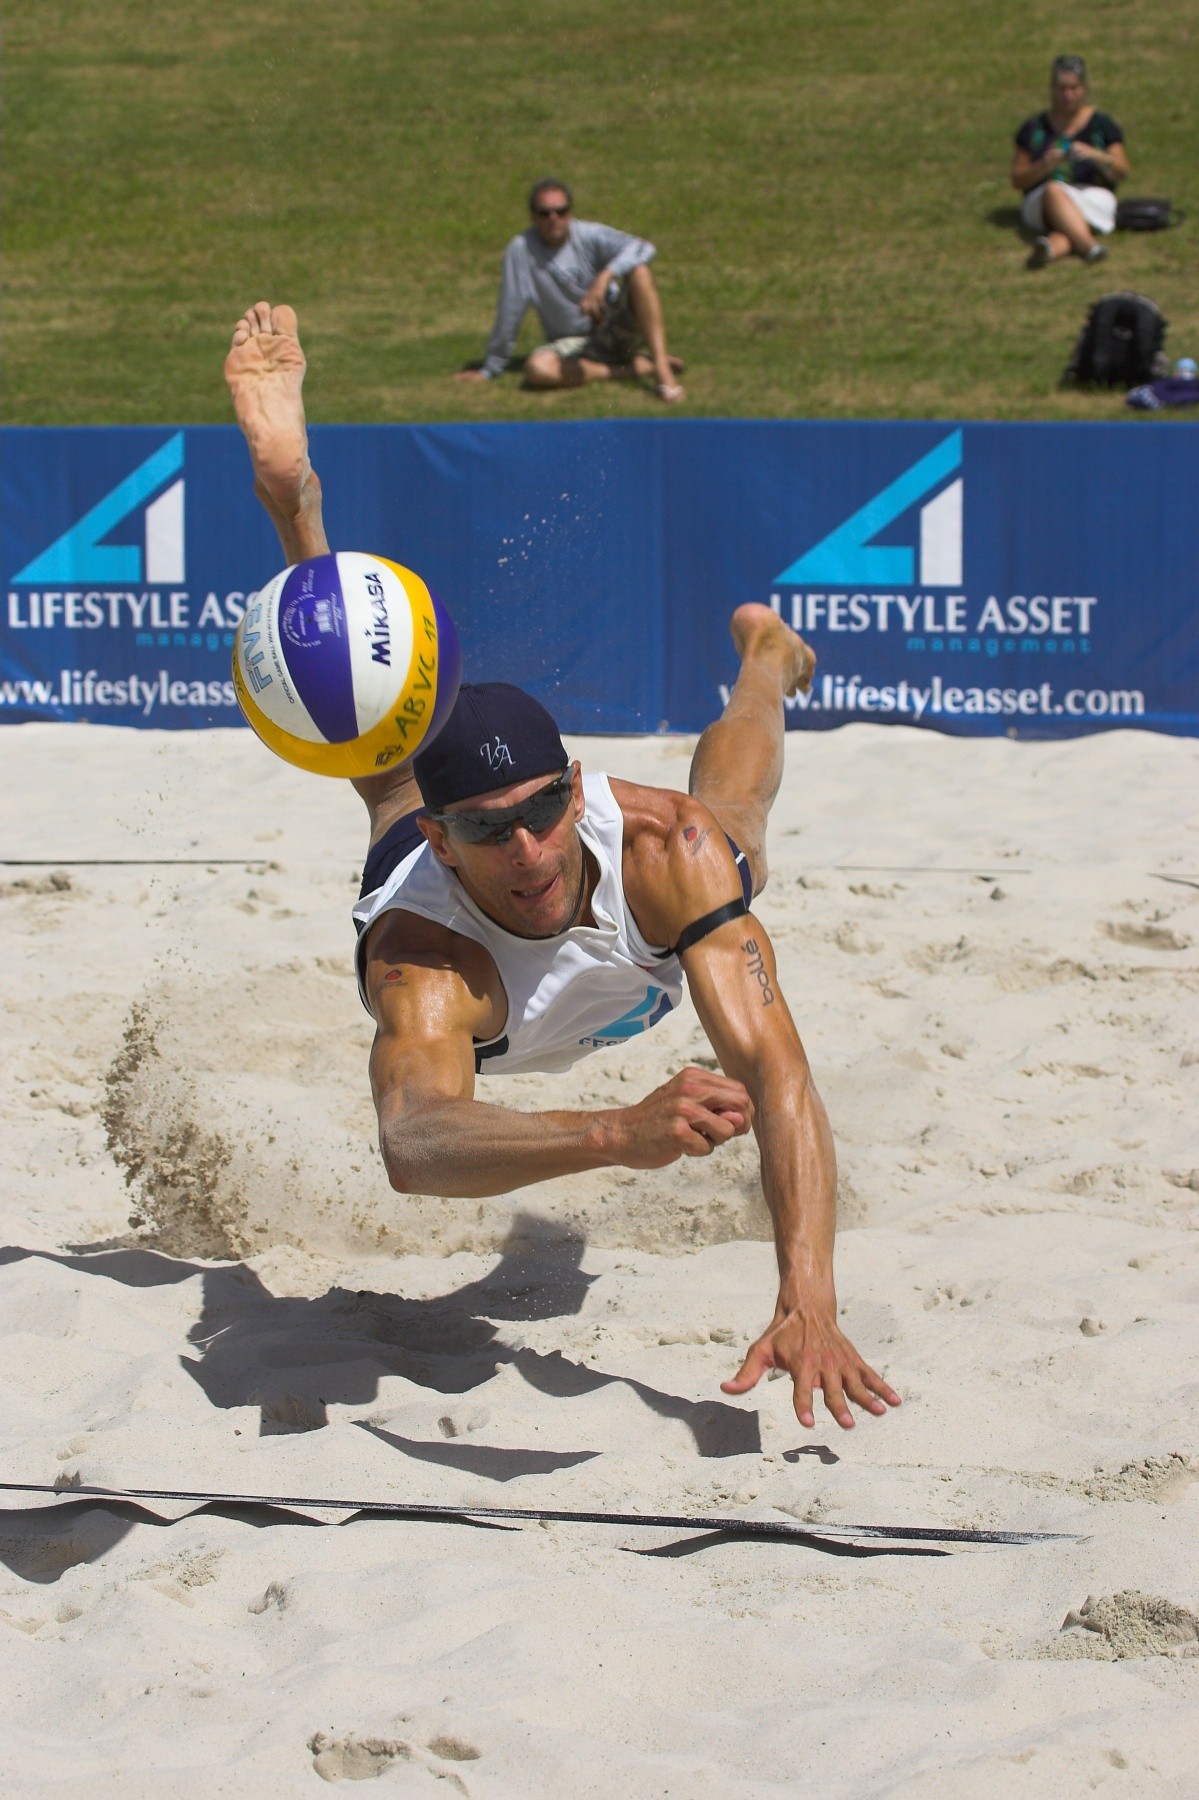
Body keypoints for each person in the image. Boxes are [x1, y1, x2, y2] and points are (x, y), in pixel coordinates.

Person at [225, 300, 901, 1434]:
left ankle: (766, 657)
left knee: (734, 818)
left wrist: (808, 1298)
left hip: (648, 881)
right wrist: (613, 1134)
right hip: (438, 874)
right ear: (445, 843)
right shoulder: (423, 956)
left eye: (545, 812)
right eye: (491, 830)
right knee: (378, 753)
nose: (529, 848)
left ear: (577, 790)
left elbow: (778, 1071)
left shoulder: (663, 851)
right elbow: (414, 1142)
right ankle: (294, 504)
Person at [452, 177, 685, 403]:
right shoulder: (520, 250)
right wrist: (490, 369)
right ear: (533, 216)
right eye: (544, 213)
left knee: (640, 271)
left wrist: (604, 277)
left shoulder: (589, 234)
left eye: (560, 211)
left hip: (614, 327)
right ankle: (634, 369)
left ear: (570, 213)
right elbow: (510, 311)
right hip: (573, 342)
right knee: (537, 369)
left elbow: (643, 248)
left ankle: (661, 369)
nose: (553, 219)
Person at [1011, 55, 1129, 269]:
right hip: (1042, 201)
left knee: (1065, 226)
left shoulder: (1102, 125)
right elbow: (1017, 179)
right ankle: (1089, 247)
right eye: (1061, 89)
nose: (1068, 95)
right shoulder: (1034, 128)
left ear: (1084, 89)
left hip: (1092, 196)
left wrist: (1097, 156)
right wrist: (1045, 165)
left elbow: (1122, 171)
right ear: (1052, 90)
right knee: (1053, 190)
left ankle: (1050, 249)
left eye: (1074, 88)